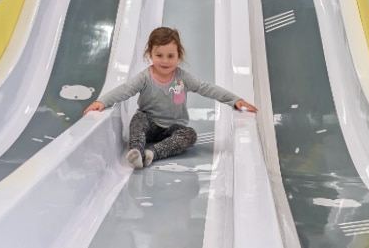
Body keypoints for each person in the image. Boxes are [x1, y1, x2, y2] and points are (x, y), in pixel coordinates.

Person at [83, 26, 257, 169]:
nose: (165, 61)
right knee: (137, 121)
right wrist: (102, 101)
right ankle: (136, 152)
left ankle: (152, 153)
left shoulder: (182, 77)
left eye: (170, 56)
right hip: (149, 122)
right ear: (149, 55)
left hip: (172, 128)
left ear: (179, 56)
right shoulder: (145, 77)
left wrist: (234, 99)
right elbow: (125, 90)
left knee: (190, 135)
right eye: (159, 55)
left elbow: (206, 88)